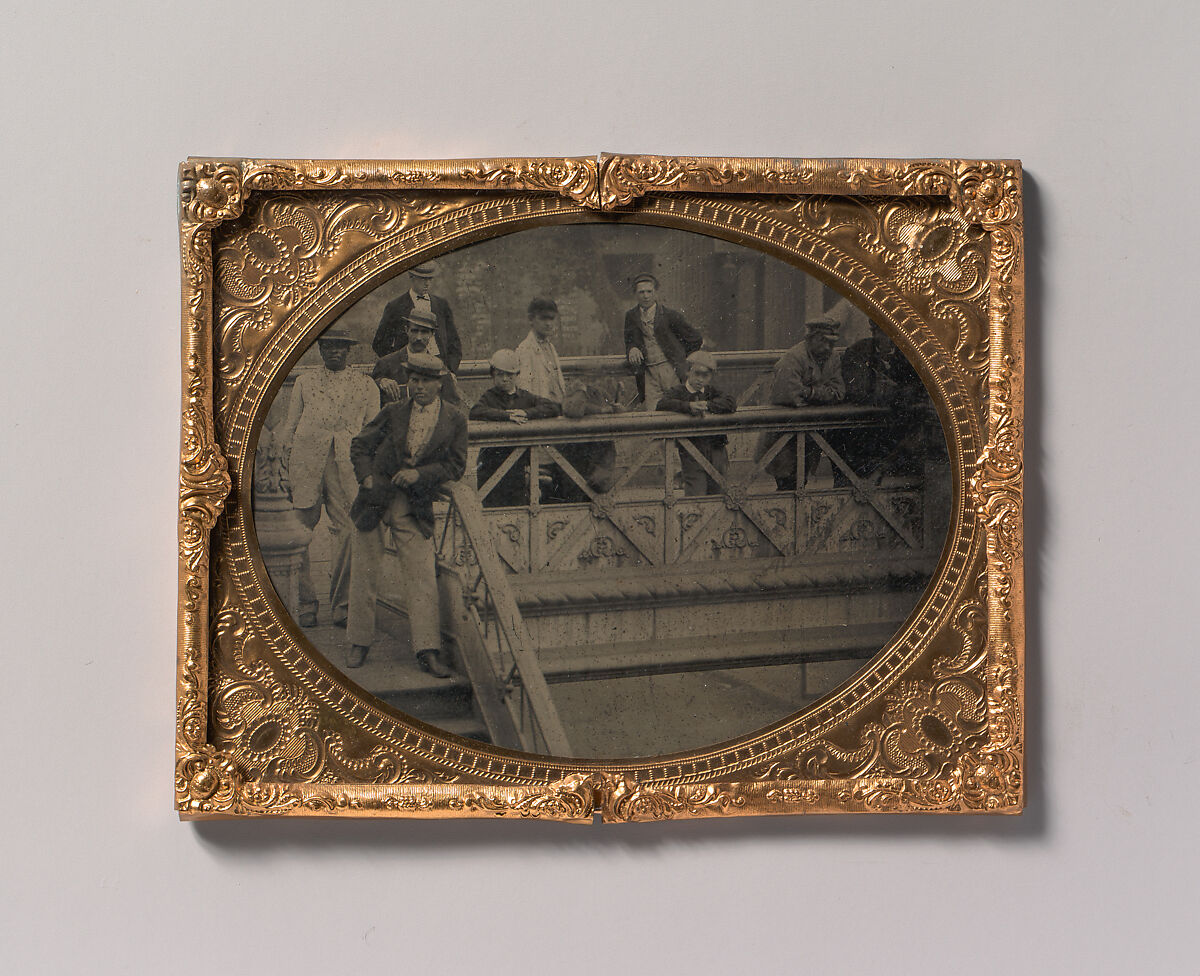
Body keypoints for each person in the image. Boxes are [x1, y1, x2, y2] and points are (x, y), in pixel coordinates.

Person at [346, 353, 467, 677]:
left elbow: (456, 465)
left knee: (422, 576)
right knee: (364, 573)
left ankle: (427, 651)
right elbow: (359, 446)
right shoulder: (393, 411)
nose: (419, 387)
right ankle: (359, 642)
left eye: (426, 381)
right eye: (414, 380)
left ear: (439, 384)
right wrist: (367, 478)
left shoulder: (454, 419)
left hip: (413, 505)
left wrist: (421, 474)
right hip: (375, 500)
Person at [277, 327, 380, 628]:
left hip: (346, 466)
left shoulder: (366, 386)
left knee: (349, 529)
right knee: (300, 530)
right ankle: (305, 603)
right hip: (306, 462)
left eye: (341, 347)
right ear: (320, 351)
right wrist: (282, 462)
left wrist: (370, 470)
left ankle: (343, 605)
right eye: (328, 347)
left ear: (349, 352)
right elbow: (290, 425)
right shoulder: (304, 383)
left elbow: (373, 431)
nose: (335, 352)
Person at [761, 317, 846, 491]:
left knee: (802, 480)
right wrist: (822, 394)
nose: (828, 347)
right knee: (788, 484)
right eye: (823, 341)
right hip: (785, 432)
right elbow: (790, 397)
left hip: (810, 432)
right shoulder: (792, 359)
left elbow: (838, 392)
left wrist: (810, 392)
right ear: (811, 338)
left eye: (832, 342)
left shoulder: (833, 357)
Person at [469, 349, 561, 507]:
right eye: (500, 375)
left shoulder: (525, 397)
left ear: (517, 375)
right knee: (491, 507)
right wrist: (506, 416)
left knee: (518, 506)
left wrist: (527, 412)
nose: (505, 379)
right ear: (493, 375)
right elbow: (475, 411)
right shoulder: (489, 396)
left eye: (509, 375)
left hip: (518, 467)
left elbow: (552, 407)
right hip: (491, 465)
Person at [656, 350, 737, 496]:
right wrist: (688, 406)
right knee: (696, 494)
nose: (700, 379)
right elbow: (662, 404)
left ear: (711, 376)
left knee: (719, 493)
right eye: (696, 374)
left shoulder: (712, 392)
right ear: (688, 372)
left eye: (705, 375)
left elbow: (731, 402)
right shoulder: (678, 391)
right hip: (691, 451)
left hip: (716, 448)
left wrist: (707, 405)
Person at [622, 273, 703, 411]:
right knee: (653, 411)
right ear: (635, 294)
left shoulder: (669, 315)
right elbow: (630, 339)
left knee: (677, 408)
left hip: (670, 368)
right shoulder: (631, 315)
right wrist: (632, 349)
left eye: (649, 291)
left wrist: (682, 357)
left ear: (655, 293)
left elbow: (695, 338)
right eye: (641, 292)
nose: (646, 296)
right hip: (648, 372)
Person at [371, 261, 462, 372]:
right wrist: (396, 365)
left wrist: (450, 370)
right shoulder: (395, 306)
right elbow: (379, 343)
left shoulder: (441, 304)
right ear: (411, 277)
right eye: (423, 279)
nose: (427, 283)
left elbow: (454, 343)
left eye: (430, 279)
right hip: (407, 368)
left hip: (439, 367)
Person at [372, 308, 463, 408]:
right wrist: (380, 382)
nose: (418, 337)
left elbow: (453, 408)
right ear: (407, 330)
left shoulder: (441, 368)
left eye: (424, 332)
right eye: (414, 331)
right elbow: (367, 394)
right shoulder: (386, 363)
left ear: (432, 334)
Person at [515, 297, 566, 405]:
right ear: (531, 319)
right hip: (541, 411)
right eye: (543, 318)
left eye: (551, 319)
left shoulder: (550, 347)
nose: (548, 324)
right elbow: (525, 389)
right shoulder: (525, 349)